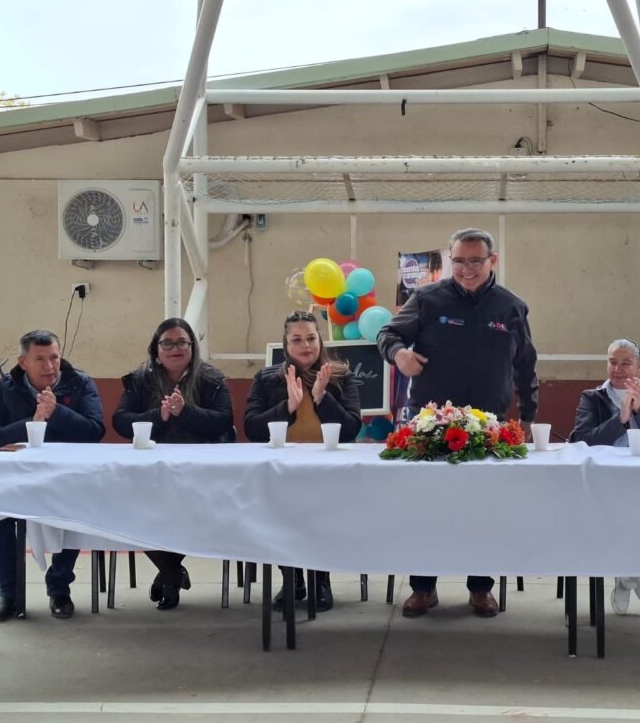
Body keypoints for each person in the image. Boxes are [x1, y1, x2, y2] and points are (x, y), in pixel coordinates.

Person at [377, 227, 539, 619]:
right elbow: (388, 333)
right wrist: (399, 354)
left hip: (489, 428)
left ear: (492, 261)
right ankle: (423, 587)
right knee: (426, 510)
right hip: (431, 425)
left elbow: (526, 366)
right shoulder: (427, 299)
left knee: (484, 512)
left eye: (475, 261)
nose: (467, 269)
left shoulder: (512, 308)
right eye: (459, 261)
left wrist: (528, 415)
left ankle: (481, 588)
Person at [0, 329, 105, 621]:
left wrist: (57, 412)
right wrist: (31, 423)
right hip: (16, 478)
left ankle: (59, 588)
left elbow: (94, 431)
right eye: (40, 359)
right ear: (23, 362)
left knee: (79, 509)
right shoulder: (4, 389)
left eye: (54, 358)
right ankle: (9, 593)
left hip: (66, 478)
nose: (49, 366)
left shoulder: (79, 383)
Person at [244, 310, 362, 613]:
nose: (305, 345)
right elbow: (252, 428)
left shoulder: (340, 376)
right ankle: (292, 579)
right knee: (280, 518)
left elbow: (351, 428)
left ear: (320, 340)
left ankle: (320, 580)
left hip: (328, 470)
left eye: (311, 338)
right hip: (282, 469)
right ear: (286, 344)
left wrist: (323, 397)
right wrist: (288, 406)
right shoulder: (267, 378)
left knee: (321, 519)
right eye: (297, 339)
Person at [112, 318, 234, 611]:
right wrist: (160, 416)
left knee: (193, 512)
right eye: (167, 343)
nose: (175, 348)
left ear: (192, 347)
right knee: (131, 508)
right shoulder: (139, 379)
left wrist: (185, 411)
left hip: (202, 468)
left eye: (182, 342)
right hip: (151, 469)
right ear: (156, 350)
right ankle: (171, 572)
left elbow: (224, 420)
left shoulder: (213, 379)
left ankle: (168, 574)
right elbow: (120, 420)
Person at [569, 338, 640, 615]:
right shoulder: (592, 397)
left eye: (625, 363)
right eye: (612, 362)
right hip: (603, 476)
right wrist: (620, 418)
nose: (617, 369)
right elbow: (583, 440)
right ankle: (632, 571)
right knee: (616, 508)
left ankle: (625, 575)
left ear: (639, 367)